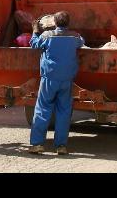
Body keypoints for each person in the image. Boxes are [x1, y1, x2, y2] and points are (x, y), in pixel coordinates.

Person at [28, 11, 84, 155]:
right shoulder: (74, 36)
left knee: (42, 109)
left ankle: (37, 144)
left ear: (54, 23)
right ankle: (61, 146)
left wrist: (35, 31)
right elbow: (82, 42)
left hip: (49, 78)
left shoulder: (47, 36)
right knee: (64, 112)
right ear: (68, 23)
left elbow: (34, 44)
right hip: (66, 80)